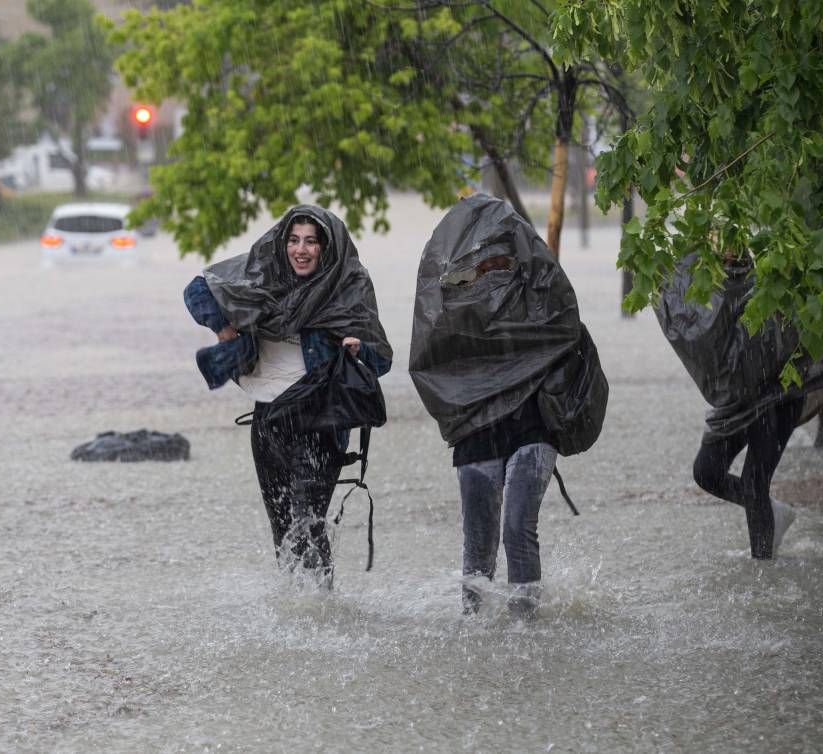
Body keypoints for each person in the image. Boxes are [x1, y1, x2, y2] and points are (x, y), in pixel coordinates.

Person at [409, 194, 605, 616]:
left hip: (534, 426)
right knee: (478, 546)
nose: (491, 269)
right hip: (477, 431)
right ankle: (474, 633)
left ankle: (525, 631)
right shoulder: (452, 310)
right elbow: (433, 366)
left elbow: (572, 346)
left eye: (500, 259)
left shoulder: (543, 299)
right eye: (481, 262)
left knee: (517, 528)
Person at [184, 205, 391, 588]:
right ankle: (295, 613)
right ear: (282, 244)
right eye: (294, 240)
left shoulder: (349, 287)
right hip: (267, 420)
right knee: (282, 531)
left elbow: (381, 360)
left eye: (311, 242)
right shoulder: (264, 279)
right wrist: (225, 330)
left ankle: (322, 613)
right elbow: (198, 289)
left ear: (326, 248)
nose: (301, 250)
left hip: (320, 422)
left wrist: (357, 349)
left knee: (308, 526)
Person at [656, 252, 823, 559]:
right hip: (739, 396)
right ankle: (772, 515)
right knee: (706, 472)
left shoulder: (768, 275)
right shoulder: (710, 284)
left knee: (754, 480)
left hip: (780, 391)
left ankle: (762, 570)